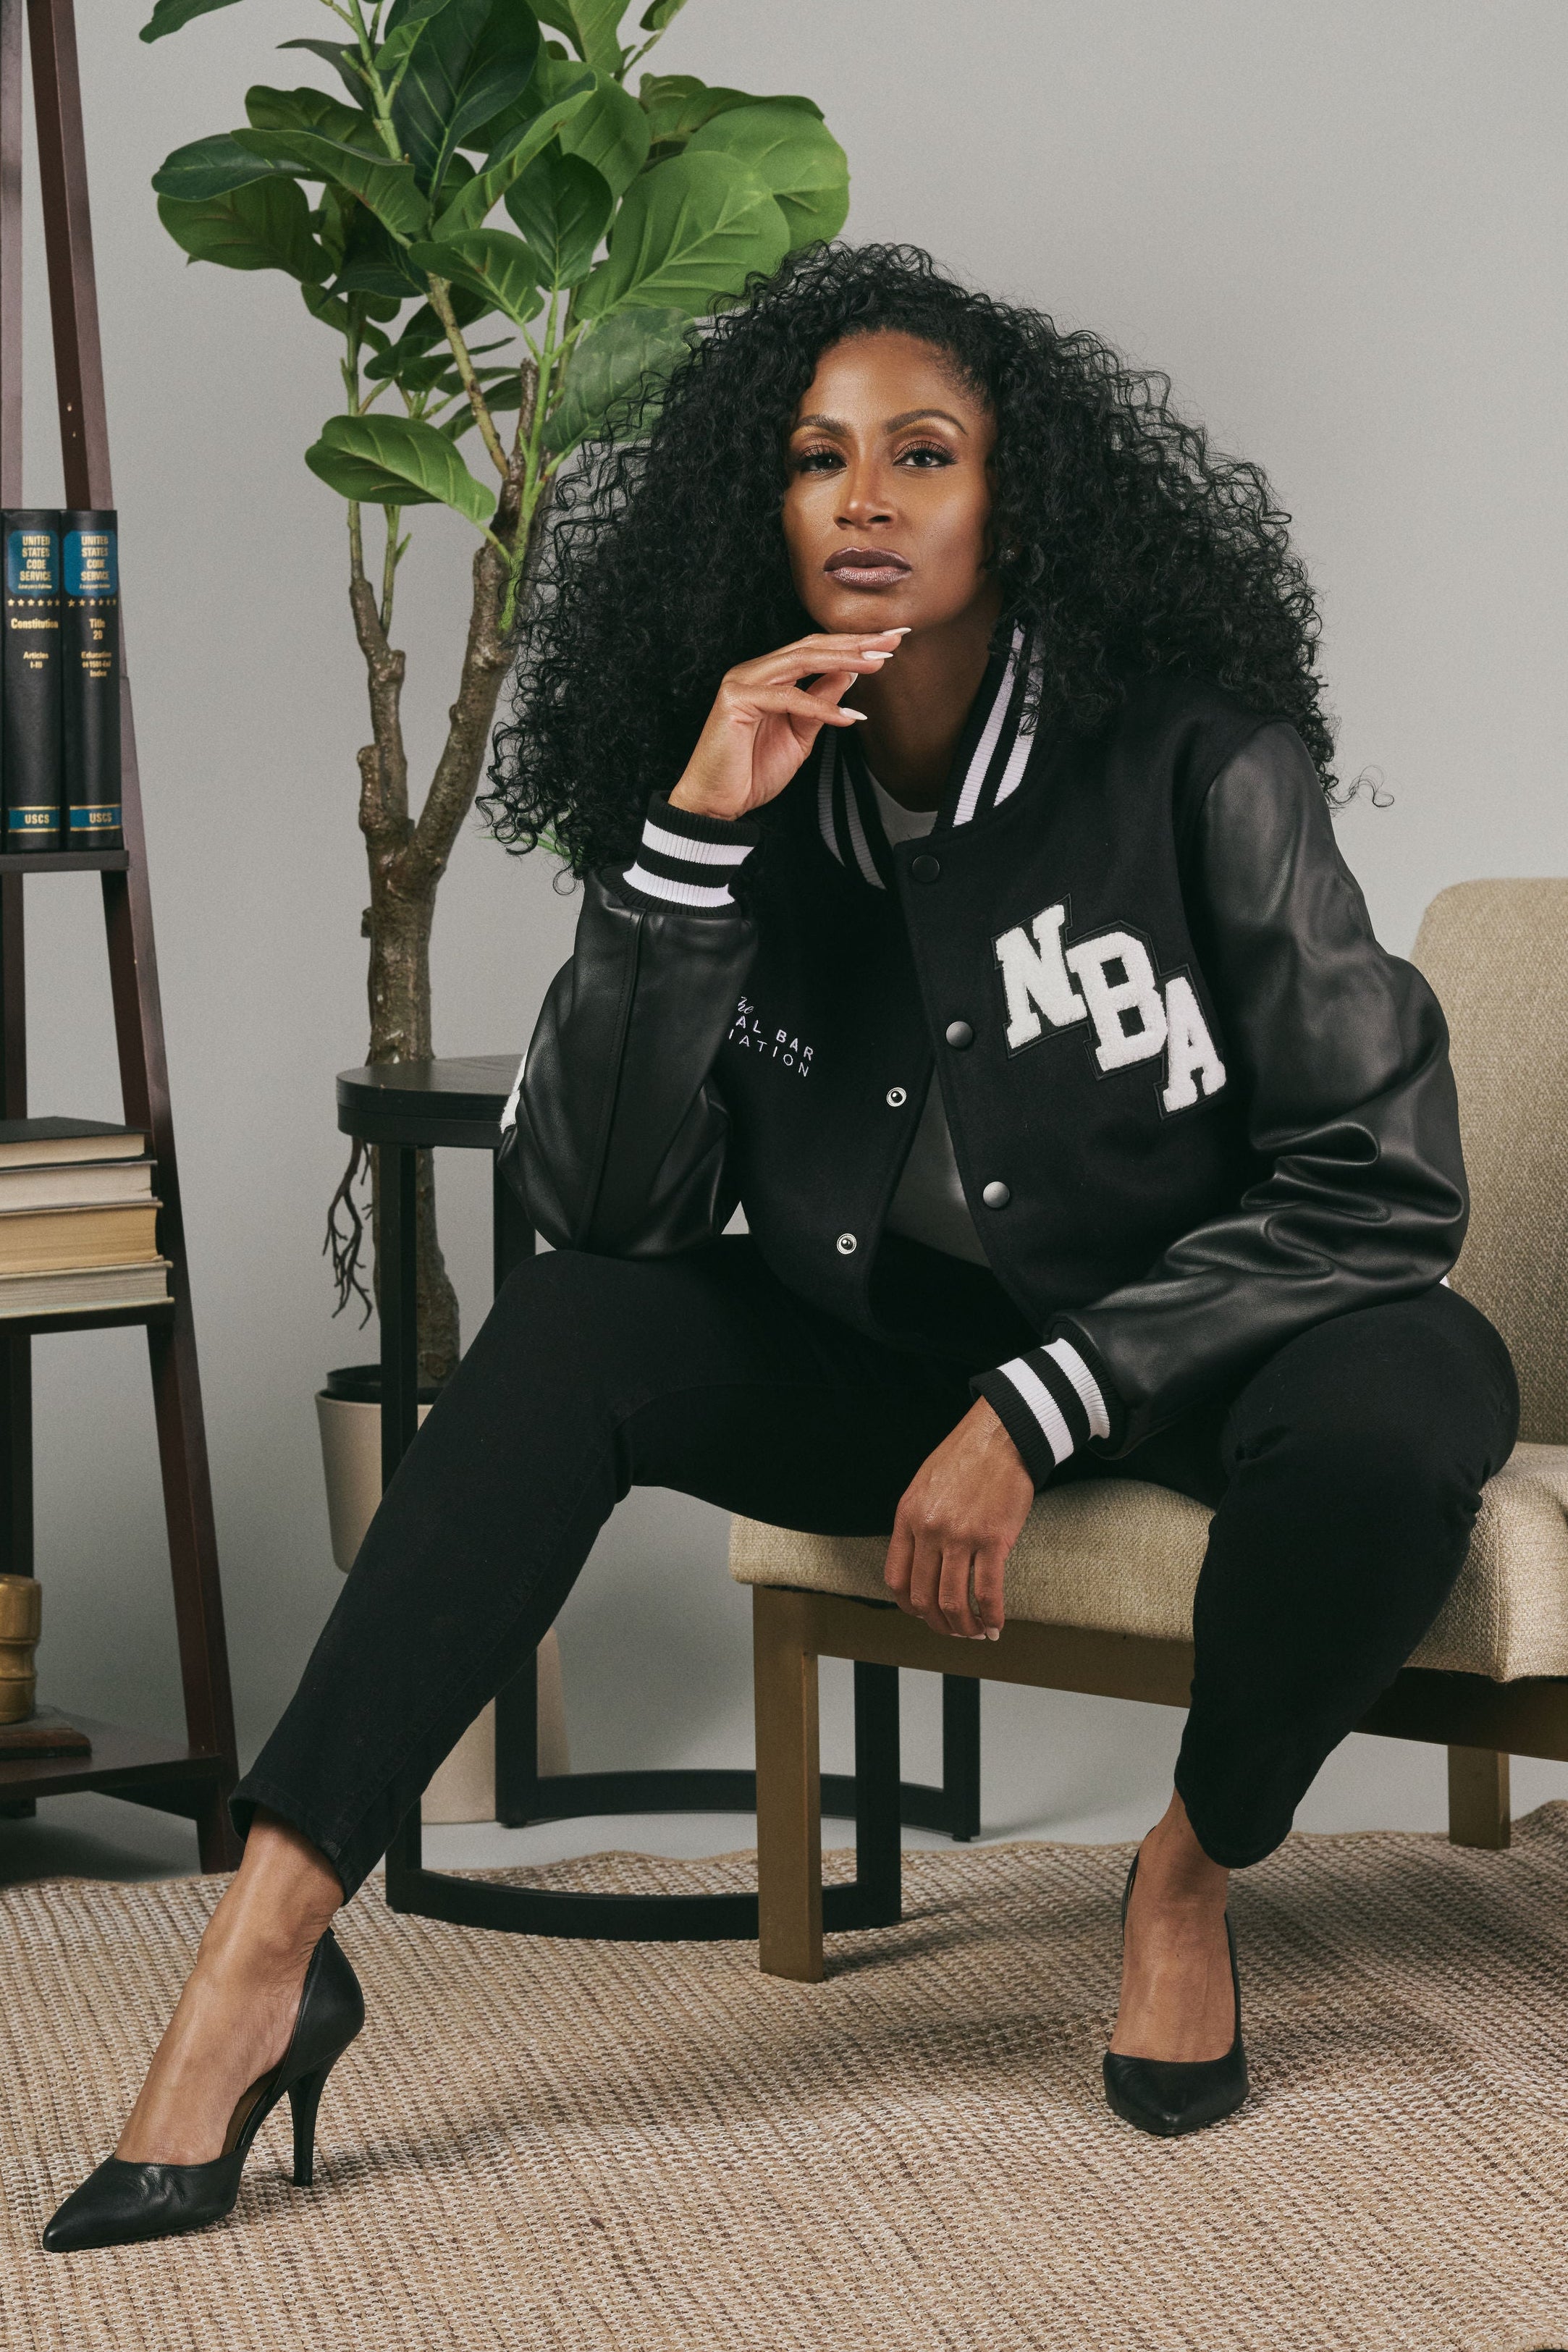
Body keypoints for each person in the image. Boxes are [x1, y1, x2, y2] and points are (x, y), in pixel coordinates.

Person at [43, 243, 1517, 2249]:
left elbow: (1380, 1169)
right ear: (771, 505)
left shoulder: (1198, 757)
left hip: (1213, 1342)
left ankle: (1189, 1863)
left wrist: (1047, 1396)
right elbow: (606, 1211)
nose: (871, 498)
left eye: (926, 454)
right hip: (894, 1346)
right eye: (822, 461)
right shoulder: (747, 792)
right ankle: (268, 1943)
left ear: (1020, 503)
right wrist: (690, 844)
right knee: (567, 1329)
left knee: (1414, 1399)